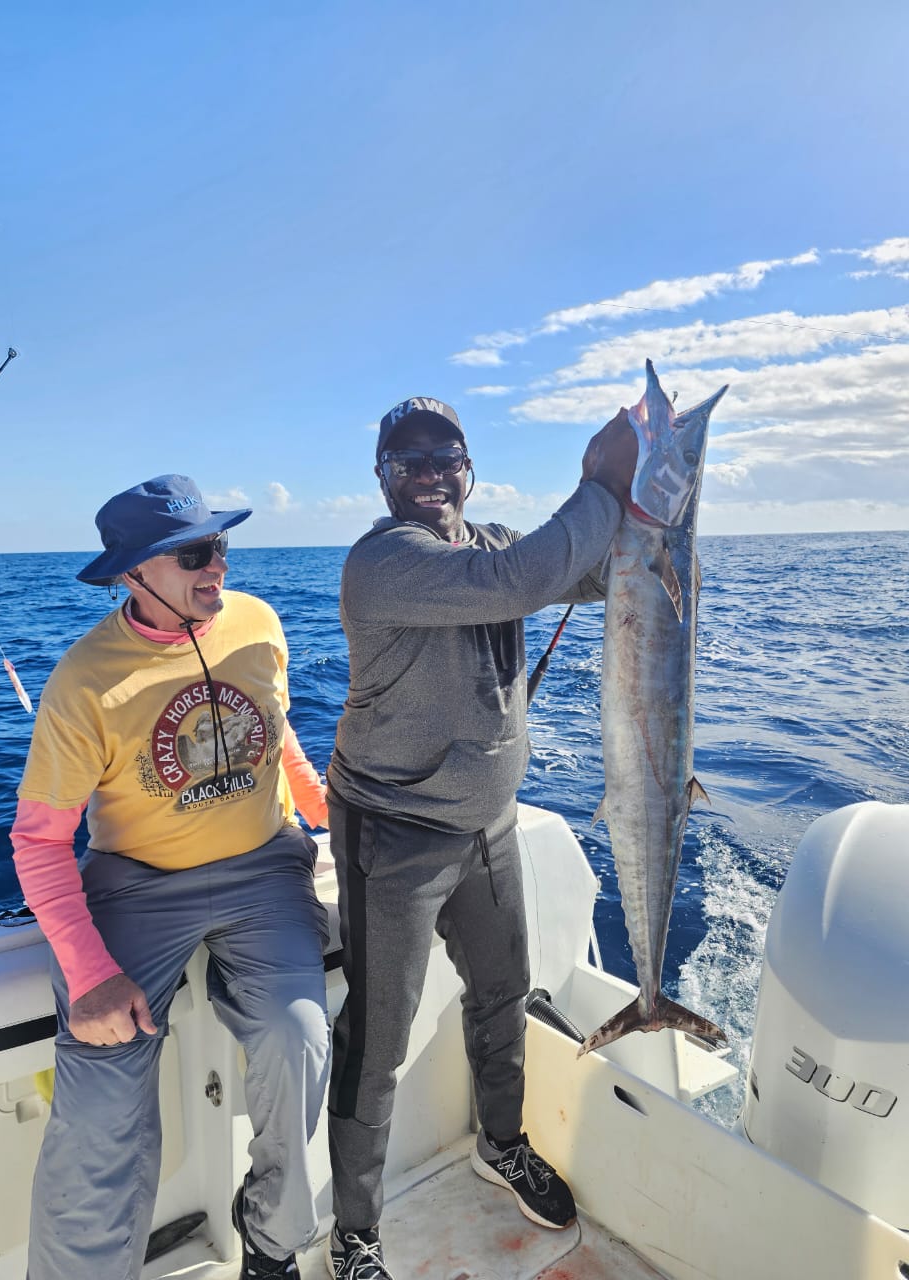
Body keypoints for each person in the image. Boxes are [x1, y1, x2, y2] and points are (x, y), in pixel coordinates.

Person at [324, 395, 638, 1280]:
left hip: (488, 824)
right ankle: (355, 1232)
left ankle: (501, 1144)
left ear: (469, 467)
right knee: (375, 1044)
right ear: (383, 480)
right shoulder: (381, 563)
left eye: (443, 457)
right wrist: (600, 484)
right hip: (394, 831)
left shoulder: (497, 544)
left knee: (504, 998)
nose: (428, 475)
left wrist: (651, 505)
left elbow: (575, 571)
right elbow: (525, 580)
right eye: (406, 463)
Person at [10, 475, 331, 1280]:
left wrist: (322, 810)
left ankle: (271, 1239)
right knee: (102, 1092)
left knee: (299, 1040)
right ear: (133, 573)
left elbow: (277, 731)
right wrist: (88, 975)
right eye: (193, 553)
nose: (215, 567)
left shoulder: (258, 622)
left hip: (267, 870)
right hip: (138, 884)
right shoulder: (84, 682)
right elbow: (41, 842)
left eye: (220, 545)